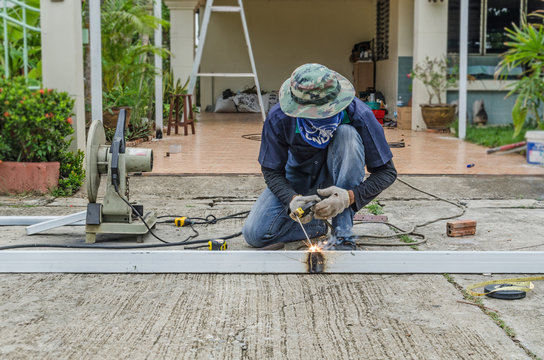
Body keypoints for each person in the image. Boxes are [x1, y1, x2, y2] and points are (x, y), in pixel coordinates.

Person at [243, 63, 397, 250]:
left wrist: (348, 197)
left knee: (347, 135)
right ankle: (318, 225)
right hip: (298, 178)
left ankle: (342, 232)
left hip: (339, 182)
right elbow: (271, 171)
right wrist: (292, 199)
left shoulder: (360, 114)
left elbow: (386, 172)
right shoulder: (280, 117)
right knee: (255, 235)